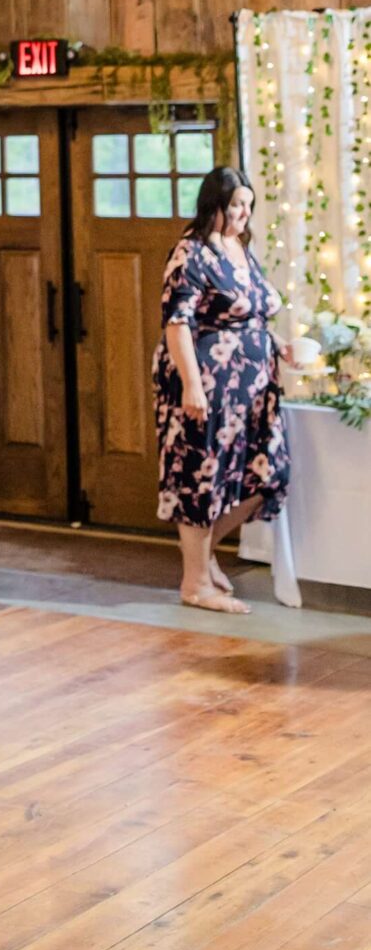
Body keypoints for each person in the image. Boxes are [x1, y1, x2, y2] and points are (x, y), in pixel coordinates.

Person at [157, 166, 291, 614]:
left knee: (268, 474)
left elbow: (251, 314)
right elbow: (177, 323)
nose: (243, 214)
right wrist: (192, 386)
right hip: (208, 387)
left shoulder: (239, 249)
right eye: (236, 205)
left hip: (253, 388)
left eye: (248, 206)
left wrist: (280, 346)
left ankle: (205, 551)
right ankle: (195, 583)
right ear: (213, 204)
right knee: (202, 478)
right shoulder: (190, 253)